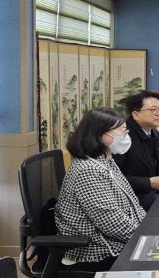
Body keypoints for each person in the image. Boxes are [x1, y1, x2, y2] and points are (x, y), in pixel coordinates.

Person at [55, 107, 146, 272]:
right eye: (121, 131)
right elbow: (111, 222)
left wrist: (148, 228)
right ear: (99, 134)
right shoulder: (88, 170)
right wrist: (146, 237)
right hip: (98, 251)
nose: (125, 137)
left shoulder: (104, 159)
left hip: (117, 240)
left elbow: (132, 203)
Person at [114, 90, 159, 211]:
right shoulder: (123, 136)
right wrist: (148, 182)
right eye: (153, 110)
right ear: (136, 114)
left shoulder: (154, 132)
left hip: (150, 192)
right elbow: (114, 177)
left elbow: (153, 165)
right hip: (130, 197)